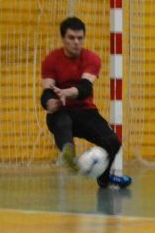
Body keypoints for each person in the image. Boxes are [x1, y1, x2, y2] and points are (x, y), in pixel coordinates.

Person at [41, 17, 131, 189]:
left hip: (85, 111)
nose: (76, 42)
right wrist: (49, 103)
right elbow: (46, 93)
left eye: (80, 38)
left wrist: (67, 92)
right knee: (62, 122)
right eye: (71, 38)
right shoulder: (51, 60)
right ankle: (69, 156)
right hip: (60, 111)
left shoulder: (92, 58)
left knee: (113, 143)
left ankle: (104, 178)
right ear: (63, 38)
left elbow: (85, 88)